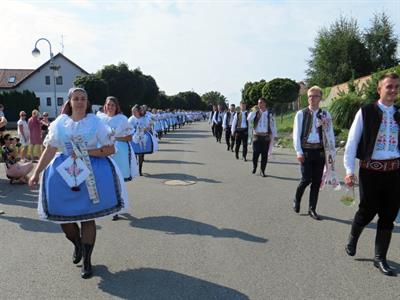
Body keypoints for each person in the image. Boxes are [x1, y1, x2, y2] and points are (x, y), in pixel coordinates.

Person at [28, 87, 129, 279]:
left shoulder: (96, 122)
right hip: (63, 173)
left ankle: (88, 261)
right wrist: (35, 173)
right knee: (63, 218)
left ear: (87, 102)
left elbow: (109, 149)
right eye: (76, 98)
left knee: (87, 217)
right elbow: (50, 150)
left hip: (91, 172)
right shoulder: (60, 123)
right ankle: (77, 243)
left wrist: (85, 152)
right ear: (69, 102)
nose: (80, 102)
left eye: (83, 98)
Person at [343, 73, 400, 276]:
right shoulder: (366, 111)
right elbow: (351, 142)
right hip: (370, 171)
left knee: (388, 215)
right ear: (379, 89)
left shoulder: (399, 113)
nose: (393, 90)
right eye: (389, 86)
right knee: (367, 211)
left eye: (396, 87)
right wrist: (349, 170)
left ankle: (380, 258)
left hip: (394, 172)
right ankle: (353, 237)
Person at [292, 87, 332, 220]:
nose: (312, 98)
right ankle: (297, 199)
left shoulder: (325, 114)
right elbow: (296, 134)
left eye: (315, 96)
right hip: (306, 150)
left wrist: (331, 151)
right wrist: (298, 151)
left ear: (320, 98)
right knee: (306, 179)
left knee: (316, 182)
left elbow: (329, 133)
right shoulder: (301, 114)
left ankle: (312, 209)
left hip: (320, 151)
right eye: (310, 96)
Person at [248, 98, 277, 177]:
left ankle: (262, 171)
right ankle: (255, 166)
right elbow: (249, 118)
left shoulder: (269, 113)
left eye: (261, 103)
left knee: (264, 155)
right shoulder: (255, 112)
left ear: (265, 103)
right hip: (256, 136)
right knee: (255, 154)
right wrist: (254, 110)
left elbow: (273, 125)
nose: (259, 104)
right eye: (258, 103)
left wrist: (275, 135)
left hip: (266, 137)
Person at [128, 105, 154, 176]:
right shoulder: (131, 119)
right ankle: (135, 169)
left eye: (134, 111)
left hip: (142, 137)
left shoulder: (144, 118)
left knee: (141, 155)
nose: (133, 112)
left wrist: (145, 129)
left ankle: (140, 170)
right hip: (134, 138)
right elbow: (128, 128)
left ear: (138, 111)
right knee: (134, 154)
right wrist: (135, 131)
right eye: (132, 111)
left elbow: (148, 126)